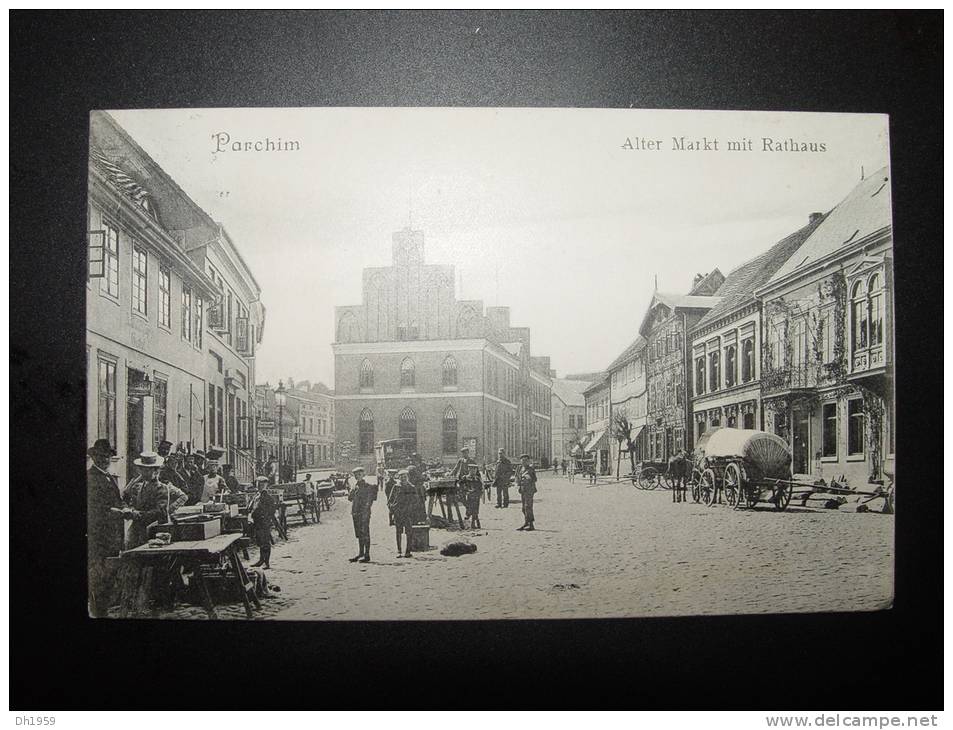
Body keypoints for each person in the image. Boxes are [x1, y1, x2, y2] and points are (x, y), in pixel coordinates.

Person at [87, 439, 125, 618]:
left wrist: (123, 506)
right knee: (99, 572)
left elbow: (115, 500)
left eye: (107, 456)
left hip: (112, 532)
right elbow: (94, 507)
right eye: (100, 456)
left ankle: (104, 608)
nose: (104, 459)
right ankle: (99, 610)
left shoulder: (108, 476)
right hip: (100, 533)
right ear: (93, 457)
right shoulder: (91, 478)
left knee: (109, 570)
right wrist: (115, 511)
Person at [123, 451, 188, 549]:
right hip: (138, 530)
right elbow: (131, 500)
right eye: (142, 469)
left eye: (148, 470)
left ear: (156, 471)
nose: (144, 473)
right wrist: (130, 510)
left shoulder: (162, 488)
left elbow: (159, 513)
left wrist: (137, 514)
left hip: (155, 531)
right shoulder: (138, 487)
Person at [347, 466, 377, 563]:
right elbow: (350, 499)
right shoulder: (355, 486)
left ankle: (367, 555)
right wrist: (351, 490)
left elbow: (369, 502)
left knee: (365, 533)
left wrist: (365, 512)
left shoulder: (368, 486)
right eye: (355, 475)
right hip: (355, 513)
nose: (357, 476)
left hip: (364, 513)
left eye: (359, 474)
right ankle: (361, 553)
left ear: (363, 475)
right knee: (359, 534)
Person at [388, 470, 418, 558]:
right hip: (398, 513)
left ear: (407, 477)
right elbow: (390, 500)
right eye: (401, 477)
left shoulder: (412, 487)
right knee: (398, 532)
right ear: (399, 477)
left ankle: (408, 551)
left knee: (409, 532)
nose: (403, 478)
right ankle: (399, 550)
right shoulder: (396, 487)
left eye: (405, 476)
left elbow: (416, 501)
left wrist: (411, 509)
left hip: (408, 513)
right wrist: (392, 508)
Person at [249, 476, 276, 568]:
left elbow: (272, 510)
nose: (260, 486)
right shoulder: (256, 496)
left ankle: (266, 562)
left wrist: (265, 518)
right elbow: (252, 507)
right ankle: (261, 560)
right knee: (260, 541)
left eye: (262, 484)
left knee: (265, 542)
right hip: (257, 522)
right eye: (259, 484)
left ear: (266, 485)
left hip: (264, 522)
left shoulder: (267, 497)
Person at [515, 454, 538, 531]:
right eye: (522, 460)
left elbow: (535, 479)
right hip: (522, 489)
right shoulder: (519, 468)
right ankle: (526, 523)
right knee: (523, 508)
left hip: (529, 490)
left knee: (528, 507)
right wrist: (518, 484)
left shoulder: (531, 469)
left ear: (528, 461)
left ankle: (531, 525)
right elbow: (517, 477)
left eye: (525, 460)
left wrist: (529, 478)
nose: (524, 462)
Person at [463, 462, 484, 529]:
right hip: (468, 497)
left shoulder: (477, 479)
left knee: (475, 511)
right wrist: (466, 491)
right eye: (471, 469)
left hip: (476, 498)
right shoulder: (465, 478)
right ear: (469, 470)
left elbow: (481, 488)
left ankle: (473, 524)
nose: (473, 471)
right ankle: (467, 525)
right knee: (468, 511)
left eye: (475, 470)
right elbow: (461, 487)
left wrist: (479, 493)